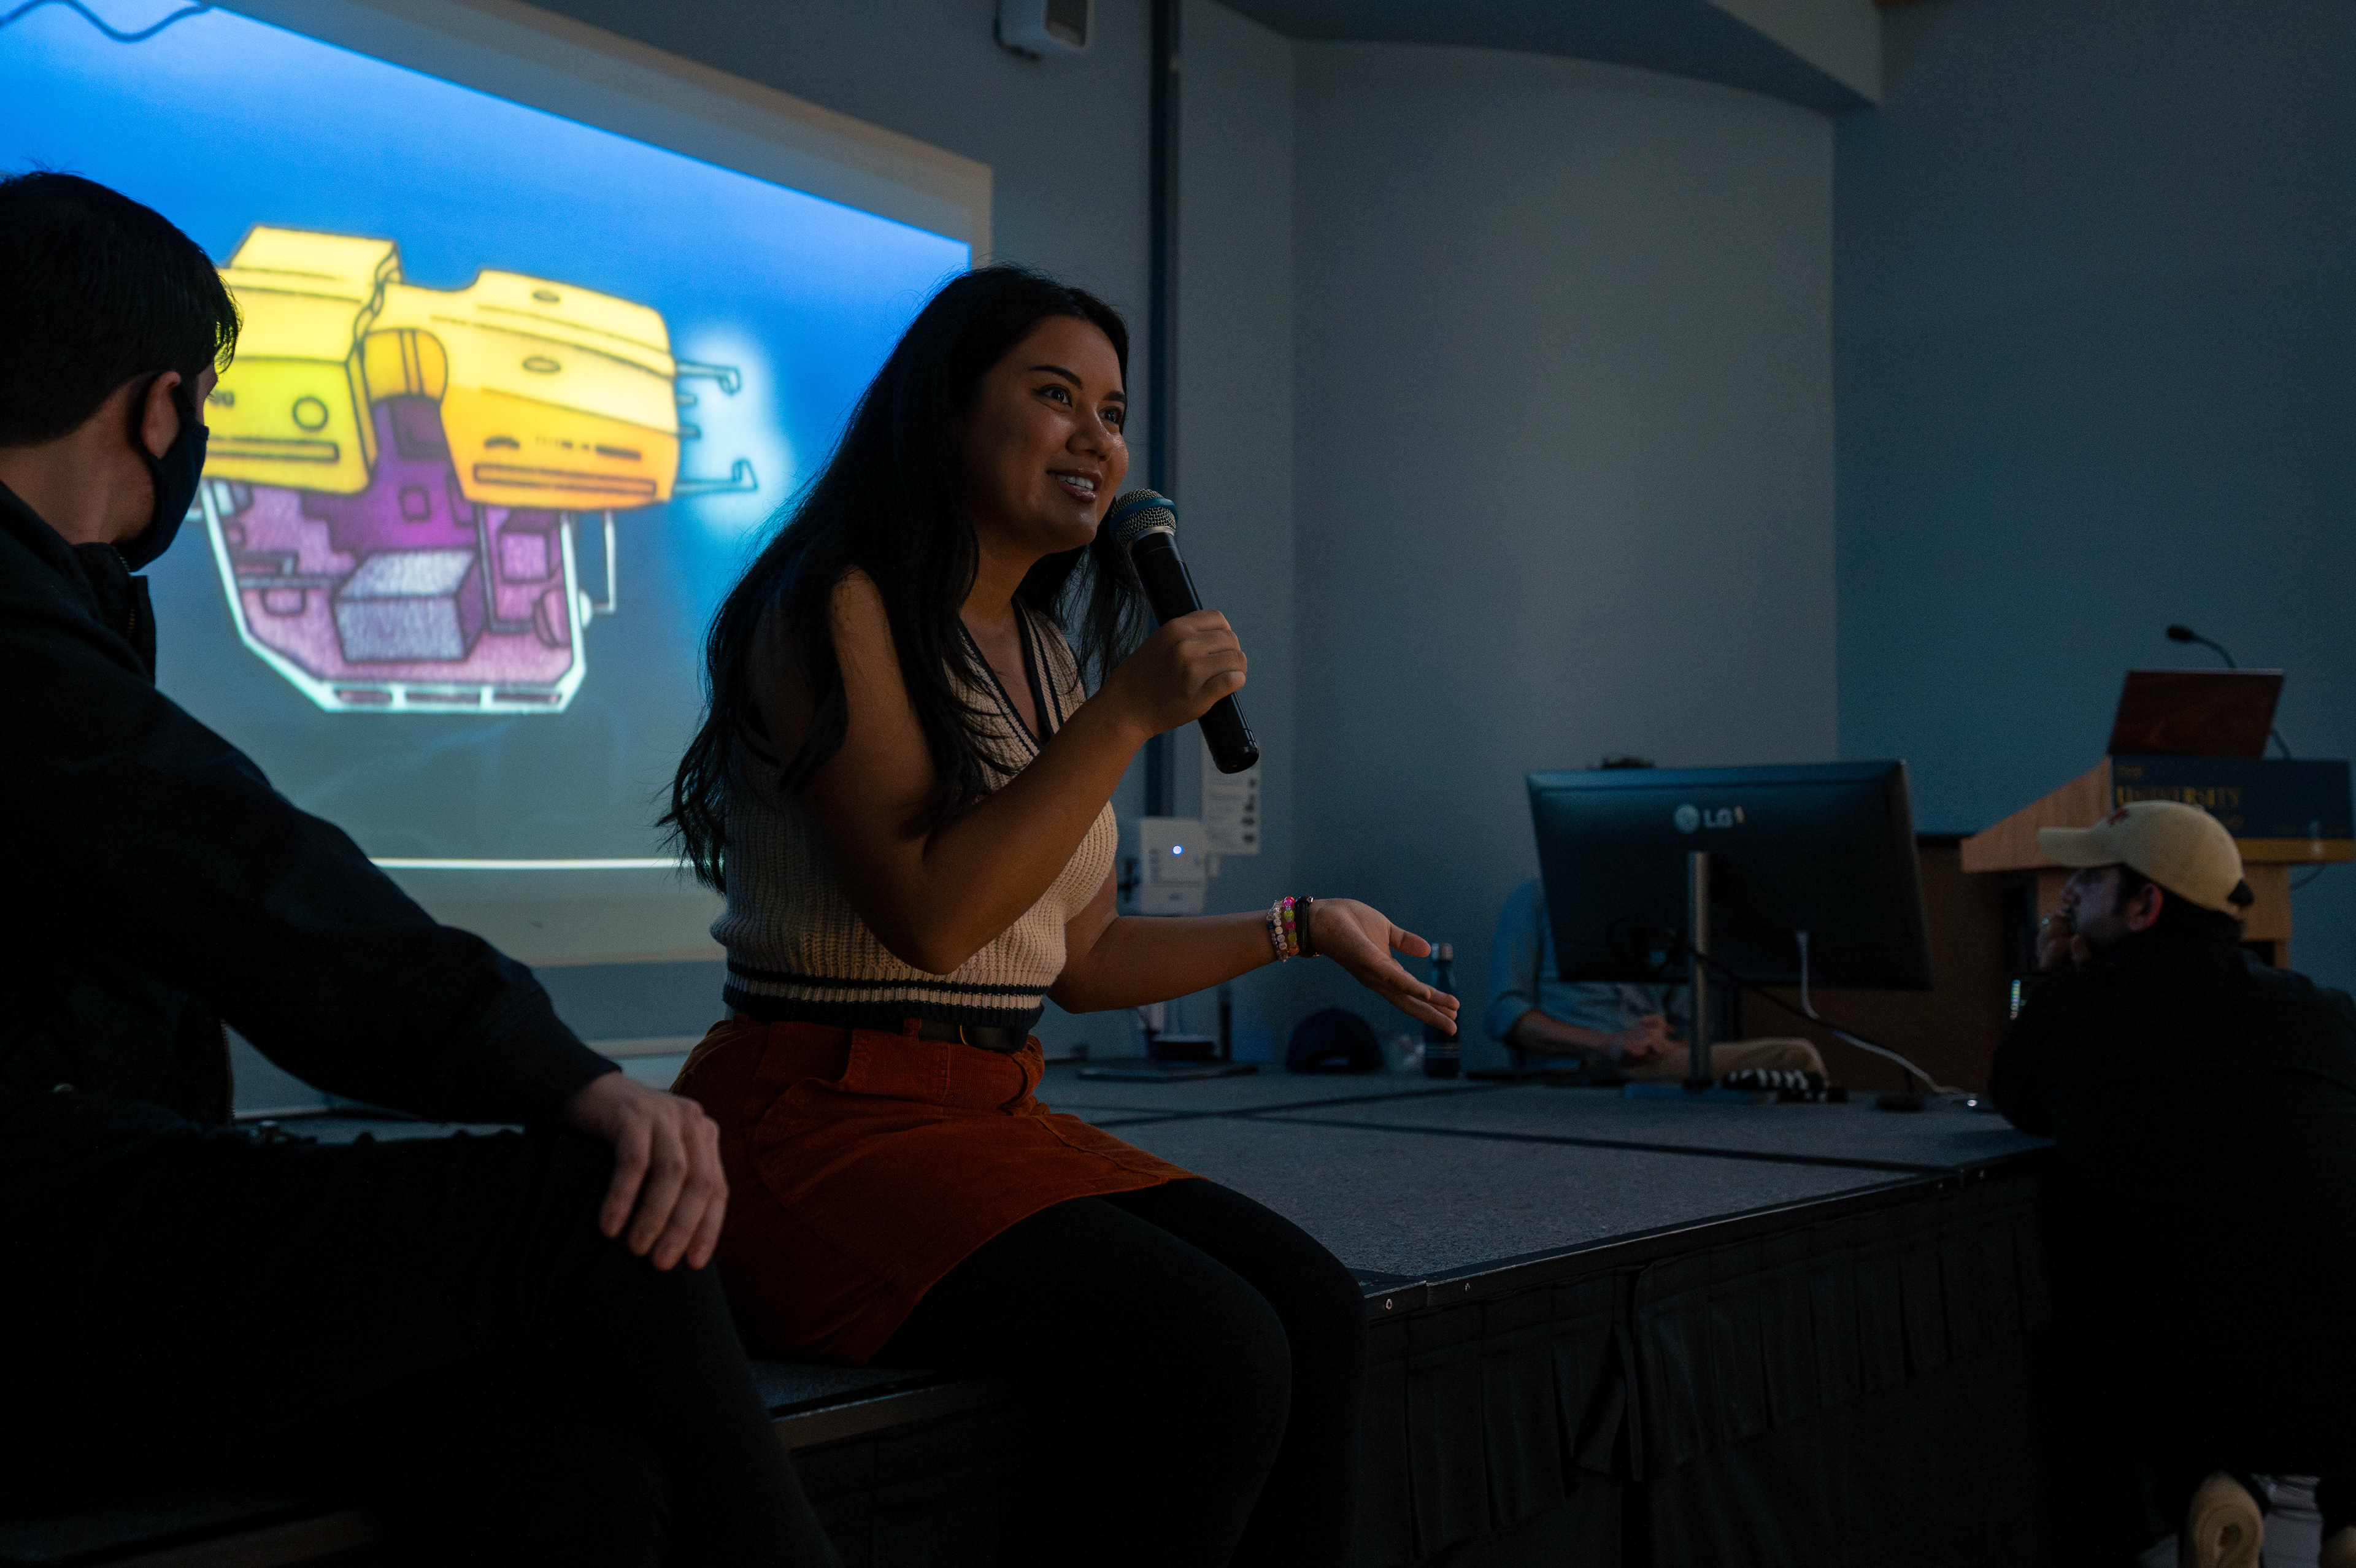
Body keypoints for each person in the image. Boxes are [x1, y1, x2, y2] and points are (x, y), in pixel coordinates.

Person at [0, 172, 839, 1566]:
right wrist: (550, 1069)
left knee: (562, 1470)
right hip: (39, 1259)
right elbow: (232, 866)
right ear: (162, 407)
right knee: (591, 1210)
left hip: (84, 1215)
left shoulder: (61, 601)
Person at [662, 264, 1461, 1568]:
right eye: (1055, 397)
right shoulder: (837, 602)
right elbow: (932, 919)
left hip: (987, 1112)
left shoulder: (1046, 653)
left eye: (1114, 411)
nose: (1097, 440)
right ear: (945, 409)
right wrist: (1129, 715)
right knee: (1214, 1348)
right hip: (813, 1124)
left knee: (1316, 1307)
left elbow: (1079, 960)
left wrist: (1303, 926)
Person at [1990, 800, 2356, 1568]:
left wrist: (2053, 980)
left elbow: (2017, 1101)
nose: (2068, 893)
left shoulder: (2072, 1017)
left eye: (2090, 879)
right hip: (2341, 1361)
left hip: (2195, 1378)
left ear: (2145, 905)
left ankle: (2213, 1488)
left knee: (2148, 1272)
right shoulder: (2322, 1011)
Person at [1485, 877, 1825, 1080]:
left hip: (1651, 1063)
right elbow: (1504, 1013)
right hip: (1574, 1067)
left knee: (1778, 1081)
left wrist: (1661, 1038)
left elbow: (1689, 1031)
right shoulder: (1537, 897)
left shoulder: (1664, 916)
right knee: (1795, 1057)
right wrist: (1611, 1043)